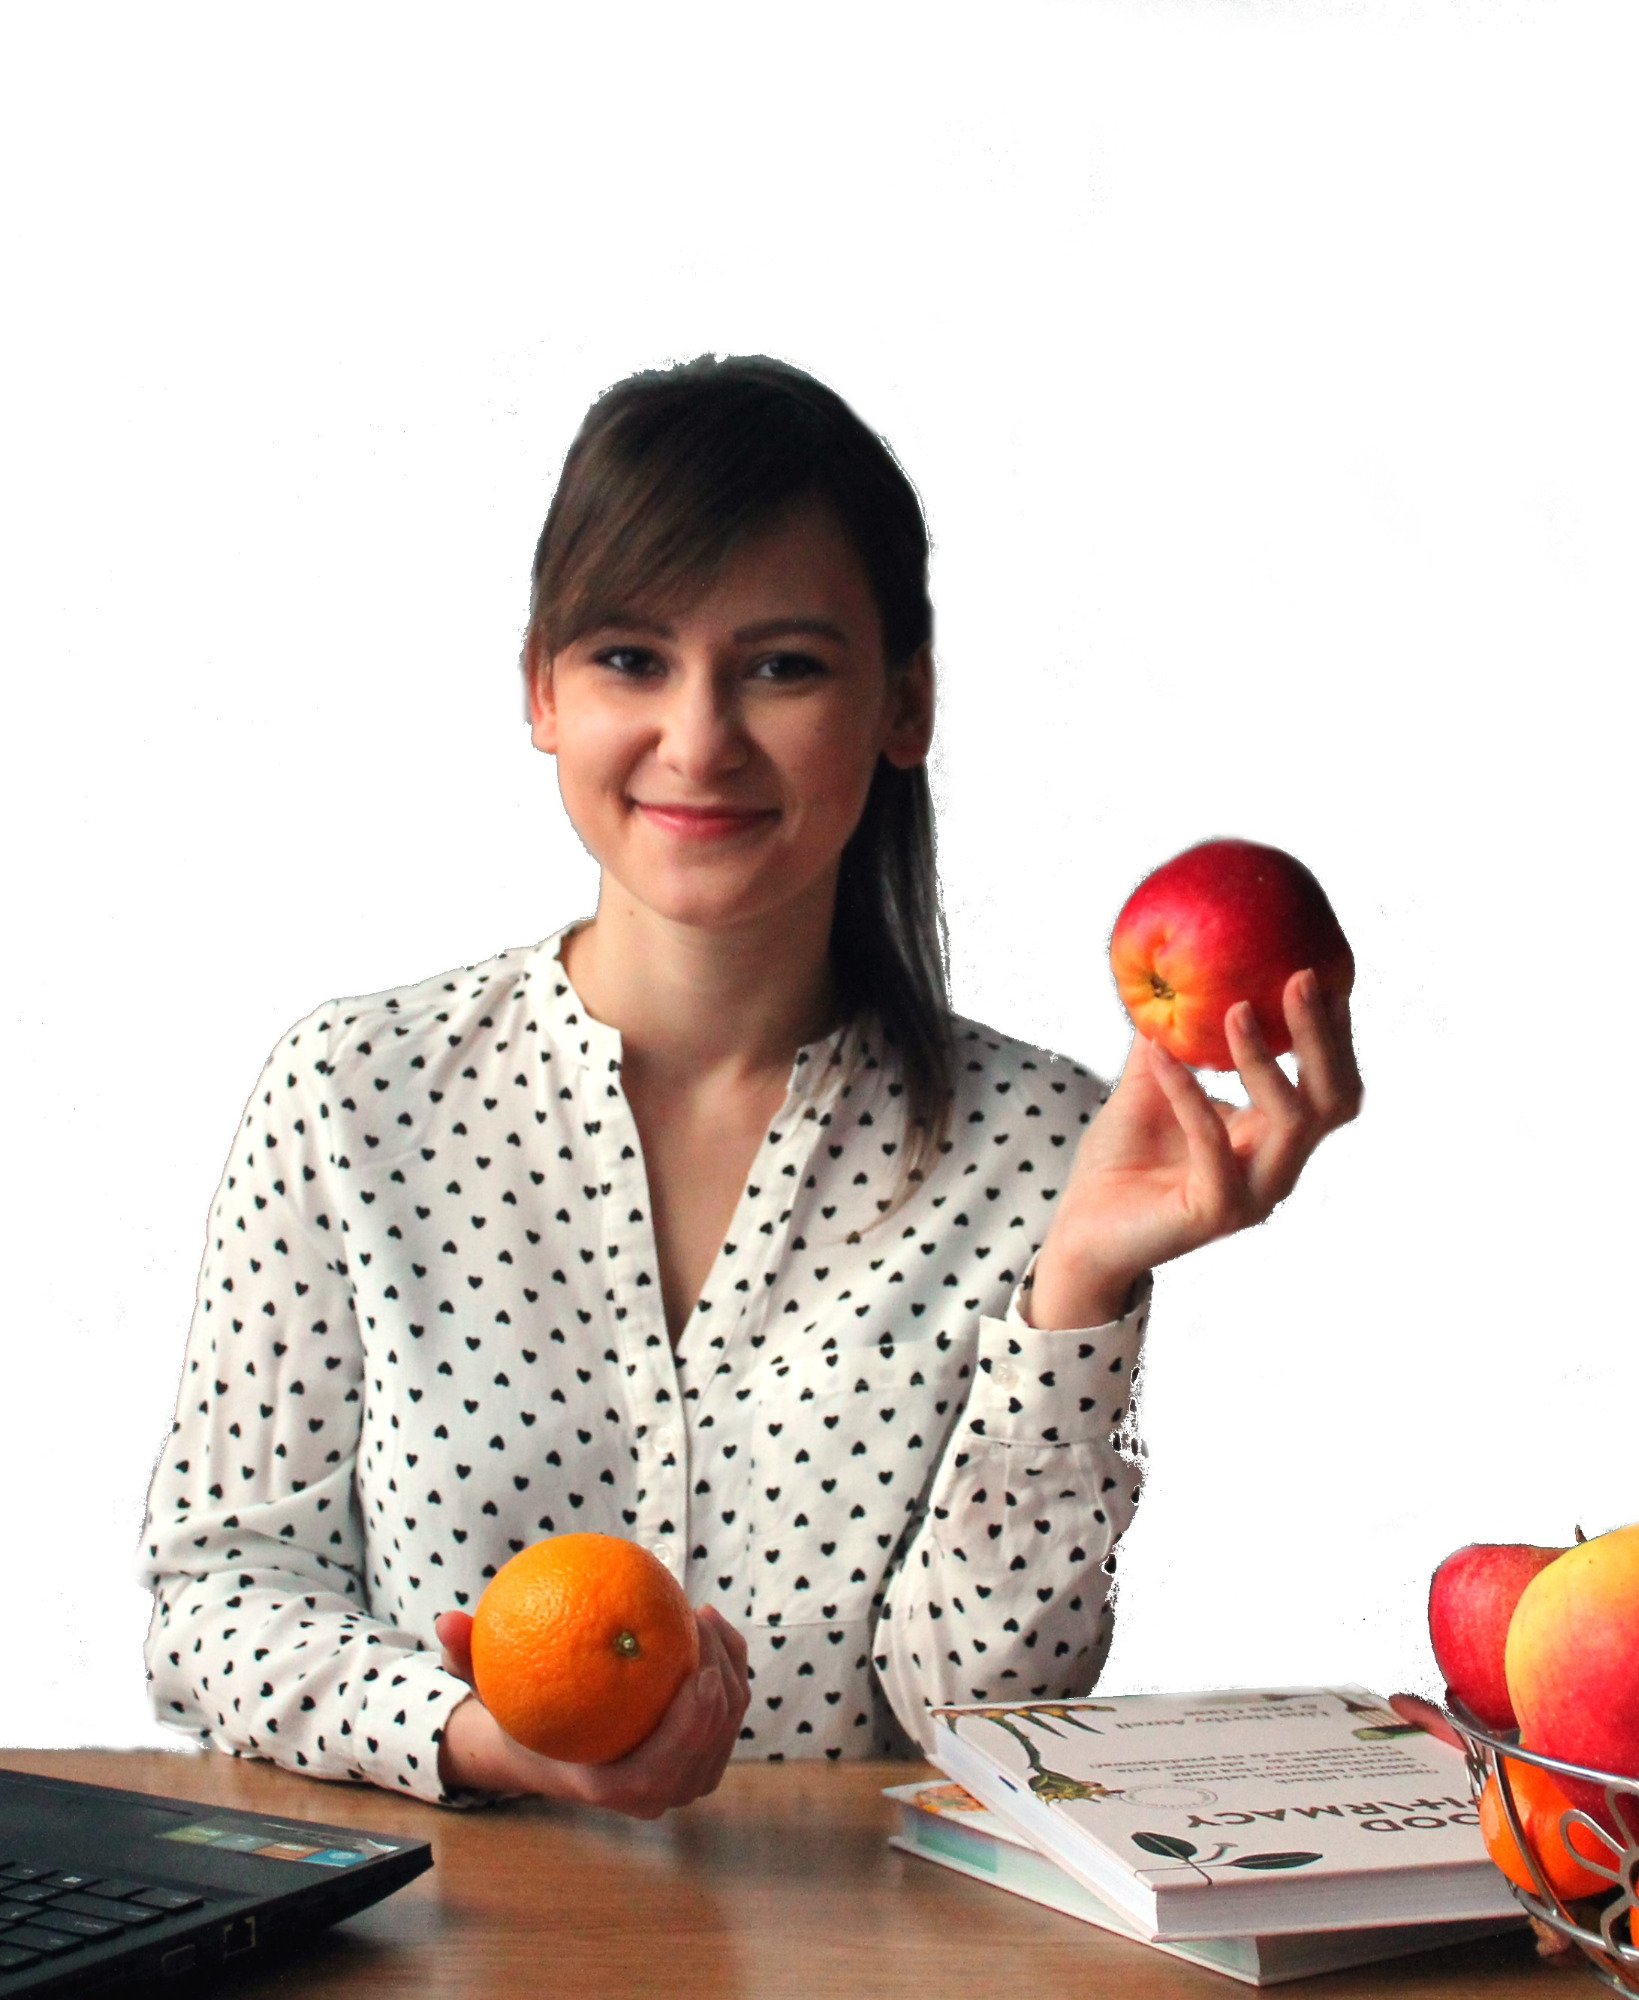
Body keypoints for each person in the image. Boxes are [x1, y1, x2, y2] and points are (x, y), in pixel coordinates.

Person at [138, 355, 1362, 1821]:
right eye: (629, 660)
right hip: (436, 1951)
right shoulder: (353, 1097)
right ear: (539, 688)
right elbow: (217, 1598)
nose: (701, 738)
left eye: (783, 665)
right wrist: (472, 1734)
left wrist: (1078, 1294)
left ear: (905, 702)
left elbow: (979, 1716)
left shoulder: (1054, 1150)